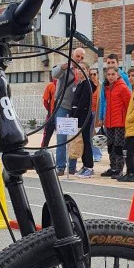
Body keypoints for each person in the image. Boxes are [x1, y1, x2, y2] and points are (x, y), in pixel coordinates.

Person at [51, 47, 86, 175]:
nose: (79, 59)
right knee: (61, 138)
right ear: (72, 55)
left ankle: (72, 167)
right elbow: (54, 75)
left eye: (82, 57)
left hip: (75, 109)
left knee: (74, 139)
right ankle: (60, 166)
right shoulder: (65, 67)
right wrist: (63, 67)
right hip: (63, 106)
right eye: (78, 56)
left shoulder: (82, 70)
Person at [100, 66, 131, 178]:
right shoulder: (107, 88)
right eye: (108, 74)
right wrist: (103, 118)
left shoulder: (123, 88)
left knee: (119, 146)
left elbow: (129, 104)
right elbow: (106, 104)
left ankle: (119, 169)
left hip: (120, 122)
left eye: (113, 74)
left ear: (118, 75)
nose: (110, 77)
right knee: (110, 145)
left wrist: (127, 120)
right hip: (109, 122)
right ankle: (113, 167)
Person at [68, 62, 94, 177]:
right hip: (78, 115)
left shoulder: (87, 84)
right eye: (79, 69)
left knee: (87, 141)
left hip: (84, 116)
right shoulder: (80, 84)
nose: (80, 71)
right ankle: (84, 165)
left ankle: (89, 166)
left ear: (87, 71)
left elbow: (83, 101)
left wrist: (76, 114)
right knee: (83, 141)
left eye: (83, 68)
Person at [97, 53, 131, 124]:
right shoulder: (105, 80)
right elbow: (103, 99)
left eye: (113, 62)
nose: (111, 65)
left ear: (118, 63)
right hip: (107, 115)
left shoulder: (125, 77)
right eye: (108, 63)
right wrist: (101, 117)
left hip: (120, 117)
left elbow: (129, 97)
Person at [89, 66, 102, 162]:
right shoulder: (88, 85)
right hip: (88, 113)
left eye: (94, 74)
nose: (93, 76)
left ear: (97, 75)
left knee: (96, 134)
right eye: (91, 74)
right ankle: (91, 153)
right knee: (89, 134)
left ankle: (97, 154)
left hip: (97, 113)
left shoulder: (101, 86)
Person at [40, 78, 56, 147]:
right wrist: (49, 111)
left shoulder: (51, 86)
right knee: (47, 135)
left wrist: (50, 110)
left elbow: (45, 102)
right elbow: (45, 101)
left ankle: (43, 150)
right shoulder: (50, 86)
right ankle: (43, 150)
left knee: (47, 136)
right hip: (53, 114)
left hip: (52, 114)